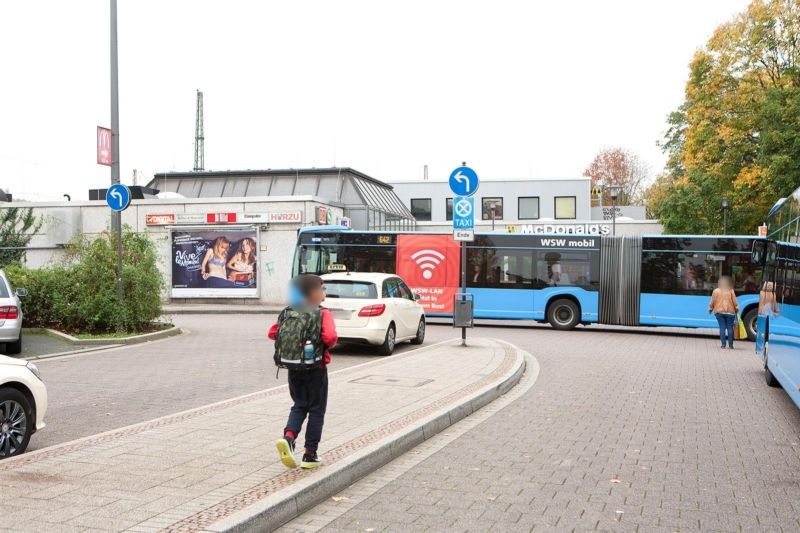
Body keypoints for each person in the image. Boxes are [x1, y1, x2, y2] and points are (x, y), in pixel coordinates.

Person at [269, 274, 337, 469]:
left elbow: (272, 333)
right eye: (322, 288)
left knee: (299, 404)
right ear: (313, 292)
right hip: (316, 368)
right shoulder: (322, 313)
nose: (324, 292)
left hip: (293, 366)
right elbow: (331, 337)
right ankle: (310, 454)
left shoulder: (288, 312)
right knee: (317, 409)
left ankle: (289, 438)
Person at [708, 276, 739, 349]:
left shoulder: (716, 291)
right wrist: (736, 309)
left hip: (719, 312)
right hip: (730, 312)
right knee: (730, 328)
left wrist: (710, 309)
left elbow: (712, 301)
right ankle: (731, 345)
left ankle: (723, 345)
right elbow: (735, 302)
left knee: (722, 328)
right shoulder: (731, 290)